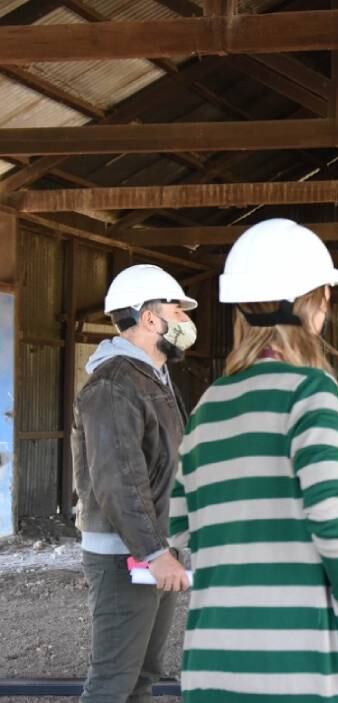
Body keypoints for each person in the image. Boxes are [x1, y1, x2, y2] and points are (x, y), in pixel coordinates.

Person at [168, 219, 338, 702]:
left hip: (211, 661)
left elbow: (179, 523)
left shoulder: (208, 403)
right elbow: (333, 519)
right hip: (295, 661)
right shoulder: (311, 393)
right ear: (320, 300)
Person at [72, 264, 196, 703]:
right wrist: (154, 552)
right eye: (177, 311)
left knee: (142, 678)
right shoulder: (114, 385)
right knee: (111, 684)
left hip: (153, 550)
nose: (185, 322)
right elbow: (118, 480)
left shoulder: (154, 379)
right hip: (128, 557)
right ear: (149, 318)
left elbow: (166, 465)